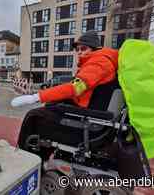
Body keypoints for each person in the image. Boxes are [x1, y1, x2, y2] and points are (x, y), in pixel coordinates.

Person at [11, 31, 119, 162]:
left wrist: (36, 97)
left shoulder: (98, 63)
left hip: (92, 126)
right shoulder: (101, 61)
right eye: (77, 49)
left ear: (95, 48)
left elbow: (75, 87)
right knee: (50, 107)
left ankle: (27, 163)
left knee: (34, 117)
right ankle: (41, 159)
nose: (79, 52)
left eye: (83, 48)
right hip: (92, 116)